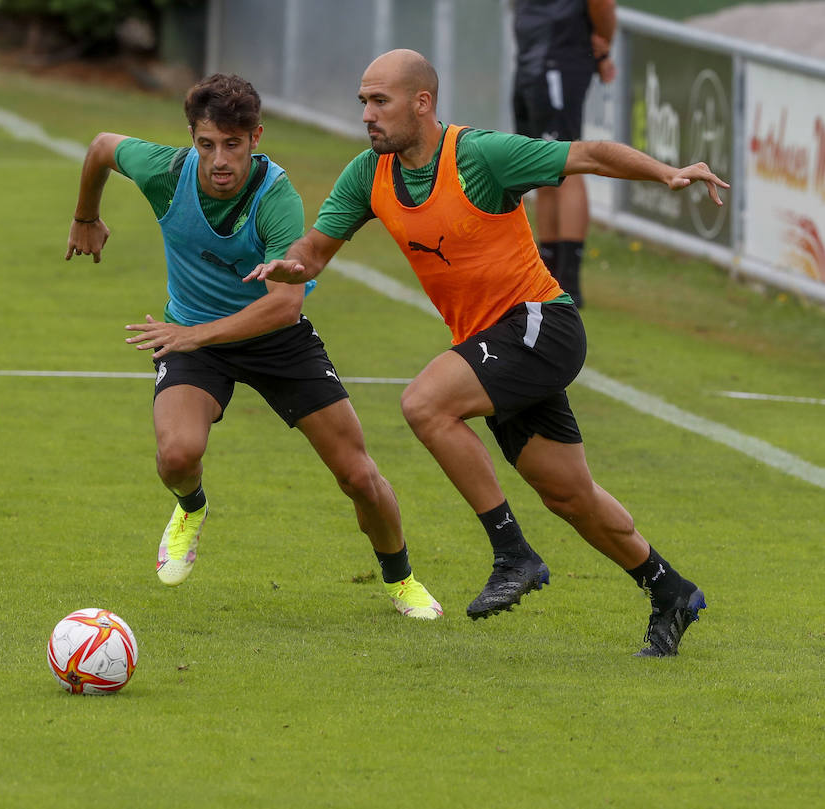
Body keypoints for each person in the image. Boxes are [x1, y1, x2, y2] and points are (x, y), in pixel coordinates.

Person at [247, 49, 726, 656]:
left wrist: (666, 173)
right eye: (363, 102)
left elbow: (588, 154)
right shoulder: (368, 175)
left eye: (379, 101)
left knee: (425, 404)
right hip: (490, 344)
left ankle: (512, 554)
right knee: (569, 495)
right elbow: (313, 251)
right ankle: (670, 592)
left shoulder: (479, 156)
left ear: (423, 103)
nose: (367, 114)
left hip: (539, 325)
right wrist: (289, 265)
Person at [64, 73, 442, 619]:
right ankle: (191, 508)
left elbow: (286, 306)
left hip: (274, 338)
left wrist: (192, 335)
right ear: (192, 138)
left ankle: (401, 578)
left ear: (255, 138)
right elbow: (101, 147)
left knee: (357, 475)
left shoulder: (276, 198)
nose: (219, 159)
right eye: (206, 144)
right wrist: (85, 218)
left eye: (233, 145)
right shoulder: (167, 174)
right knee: (177, 456)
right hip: (193, 334)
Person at [512, 0, 618, 306]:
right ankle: (547, 275)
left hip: (557, 57)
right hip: (531, 59)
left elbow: (603, 4)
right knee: (539, 168)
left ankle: (569, 280)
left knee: (565, 163)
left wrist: (603, 45)